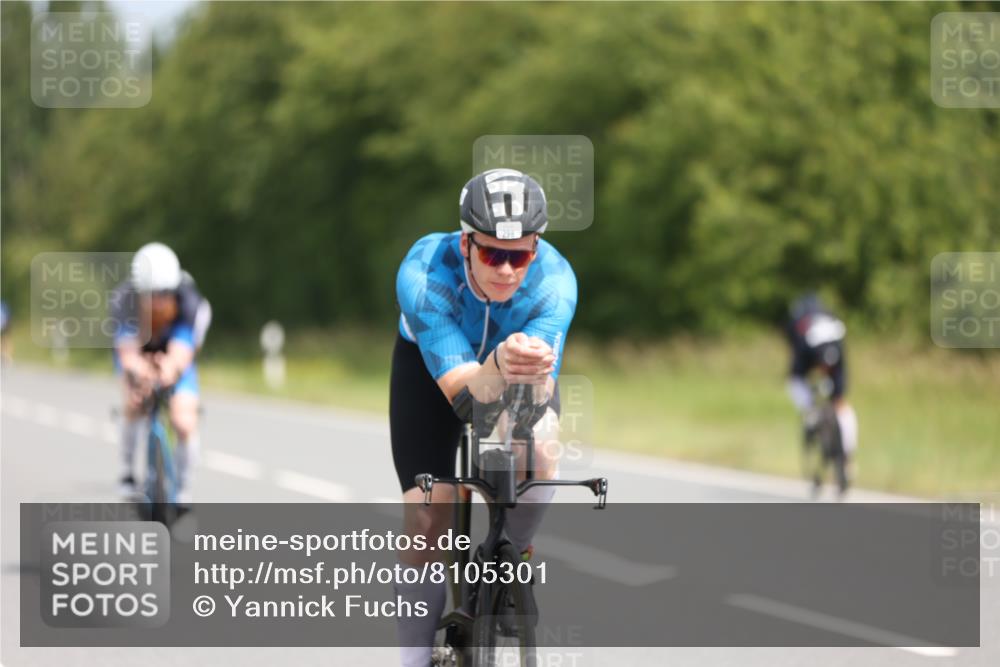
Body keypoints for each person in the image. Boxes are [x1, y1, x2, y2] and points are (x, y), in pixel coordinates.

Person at [390, 168, 577, 666]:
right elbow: (466, 399)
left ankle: (511, 553)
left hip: (511, 369)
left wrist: (528, 385)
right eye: (493, 253)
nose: (507, 271)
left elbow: (538, 395)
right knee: (428, 516)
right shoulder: (425, 272)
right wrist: (495, 362)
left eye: (520, 256)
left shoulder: (556, 282)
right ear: (466, 241)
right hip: (431, 374)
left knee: (540, 450)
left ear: (536, 249)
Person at [109, 242, 212, 509]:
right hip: (139, 350)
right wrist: (138, 372)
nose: (159, 302)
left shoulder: (189, 302)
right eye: (152, 295)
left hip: (173, 352)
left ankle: (184, 488)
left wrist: (170, 370)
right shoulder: (124, 300)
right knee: (134, 401)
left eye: (165, 294)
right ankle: (127, 472)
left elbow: (182, 351)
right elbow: (128, 353)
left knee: (184, 421)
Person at [785, 293, 858, 476]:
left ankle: (845, 453)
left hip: (820, 354)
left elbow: (796, 375)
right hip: (827, 352)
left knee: (799, 385)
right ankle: (848, 457)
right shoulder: (828, 323)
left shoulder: (801, 331)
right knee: (840, 404)